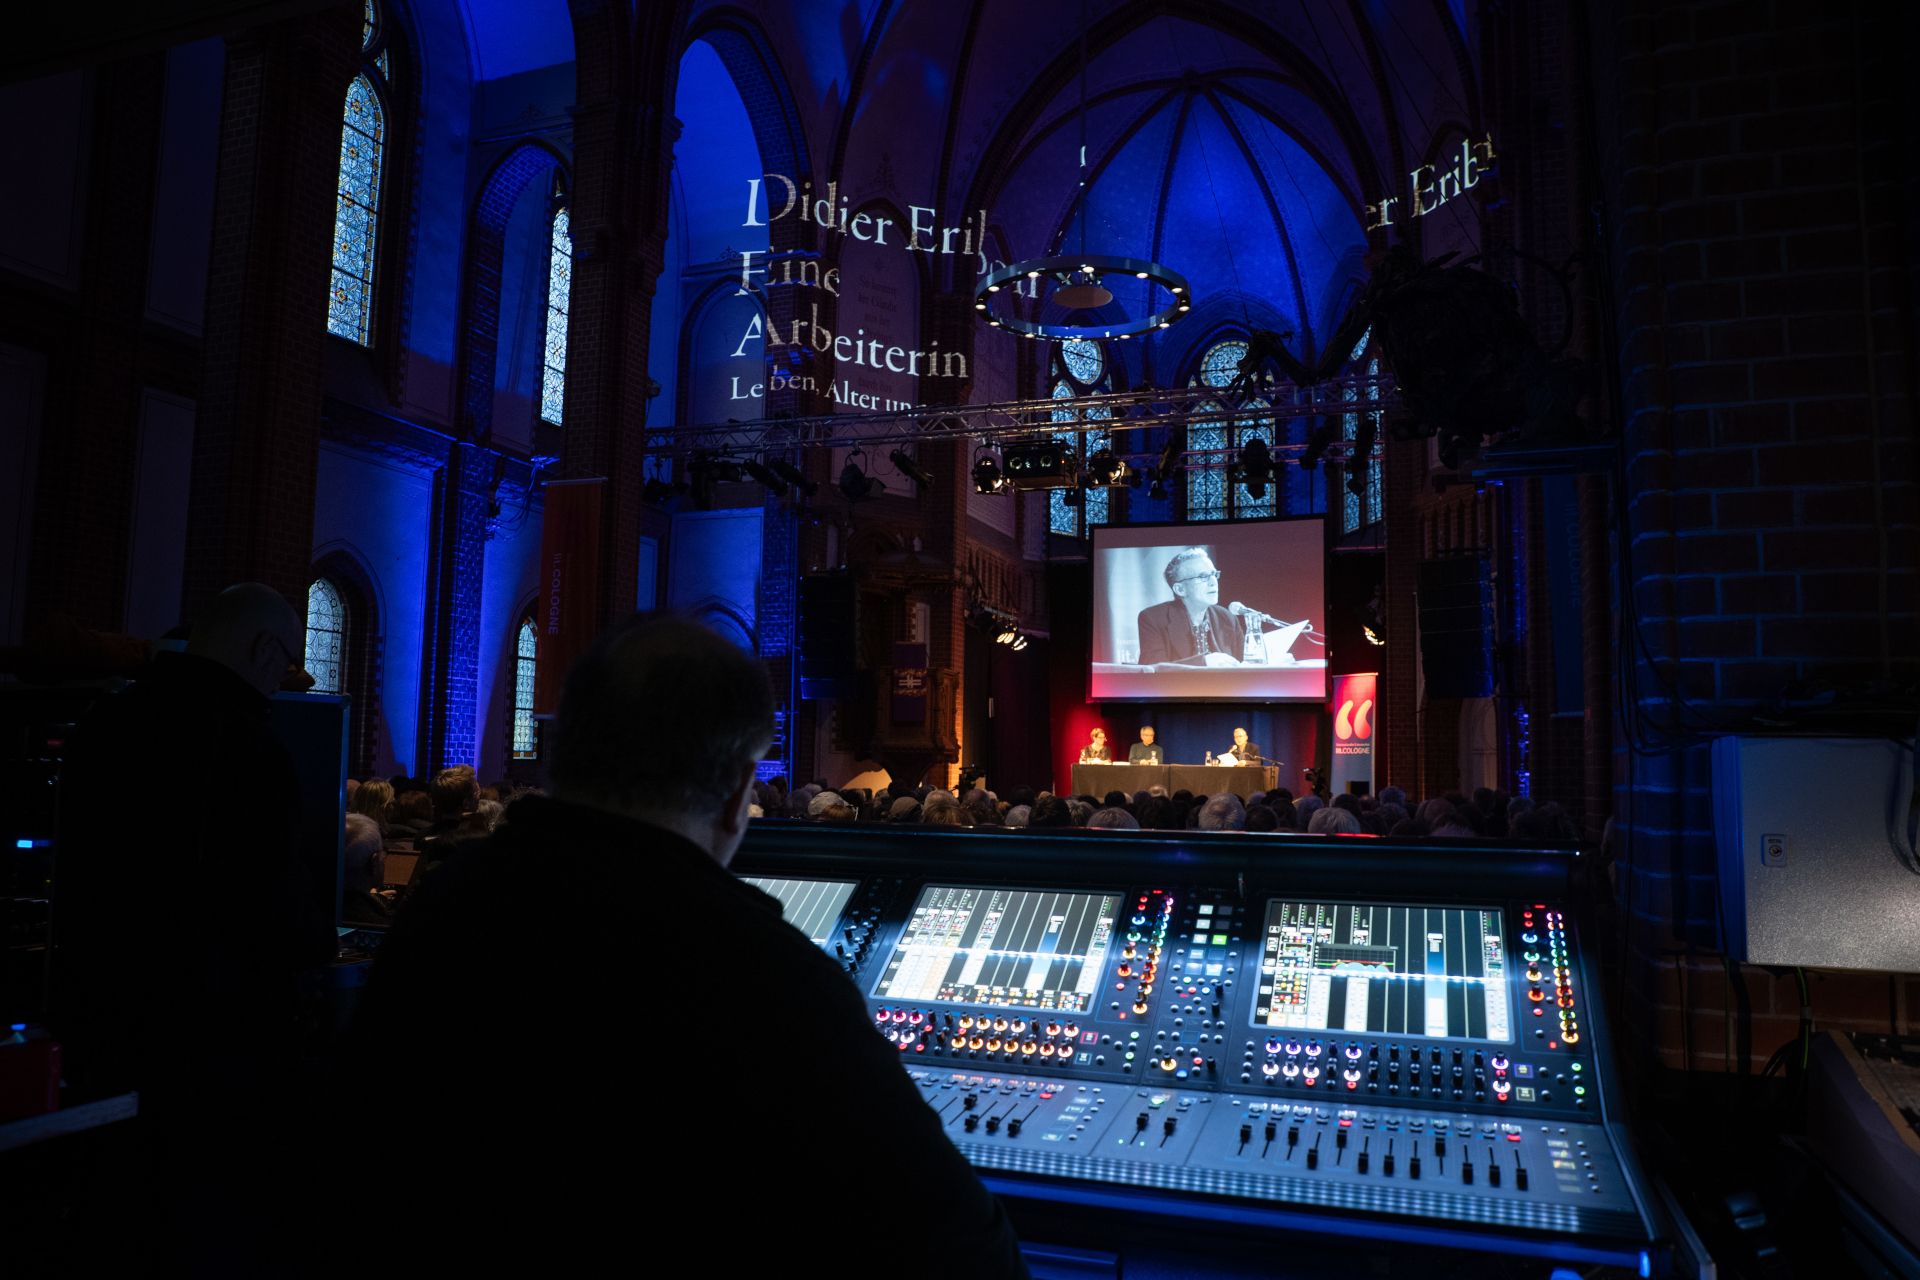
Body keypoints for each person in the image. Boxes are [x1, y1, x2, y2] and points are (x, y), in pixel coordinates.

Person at [338, 614, 1026, 1276]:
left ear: (560, 753)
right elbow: (957, 1244)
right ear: (735, 795)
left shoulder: (445, 907)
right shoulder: (767, 978)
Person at [55, 582, 335, 1270]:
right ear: (263, 648)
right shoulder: (248, 745)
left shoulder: (105, 722)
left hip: (98, 1023)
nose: (283, 679)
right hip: (215, 1045)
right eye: (285, 659)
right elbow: (271, 906)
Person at [1135, 546, 1243, 666]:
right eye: (1203, 576)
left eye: (1213, 574)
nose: (1213, 582)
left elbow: (1242, 665)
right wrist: (1204, 662)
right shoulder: (1153, 619)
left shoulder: (1227, 618)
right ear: (1180, 589)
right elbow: (1152, 670)